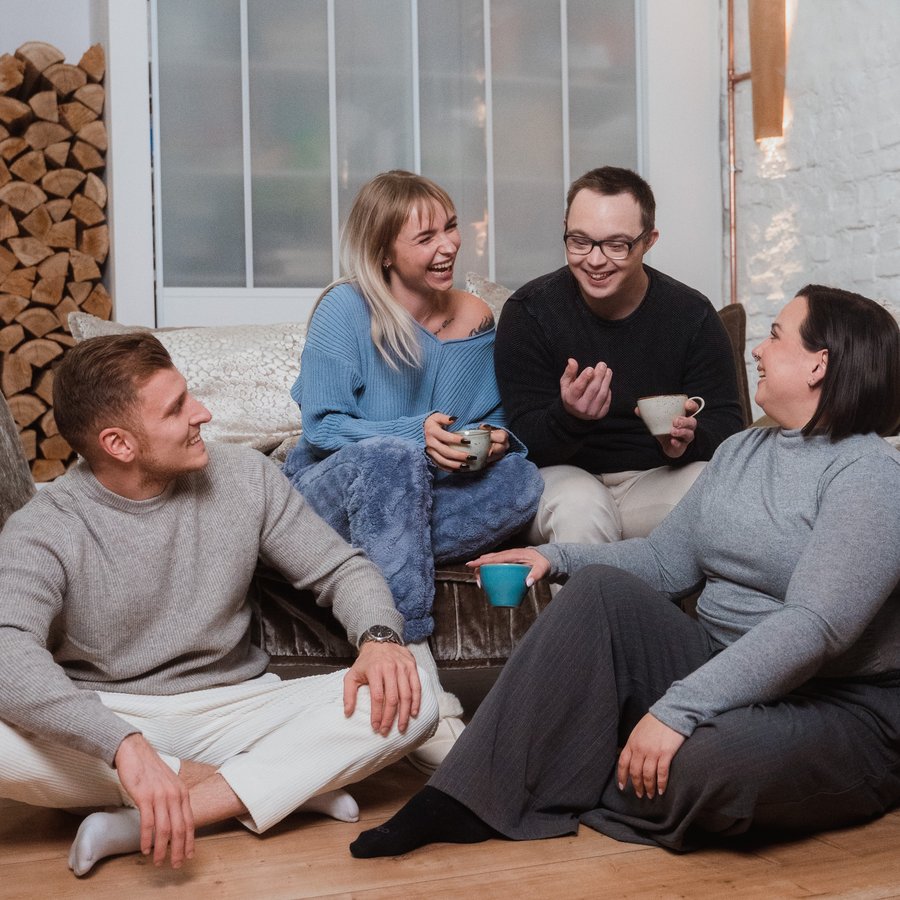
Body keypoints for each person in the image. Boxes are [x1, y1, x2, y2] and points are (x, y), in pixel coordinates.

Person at [350, 285, 900, 858]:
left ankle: (580, 769)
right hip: (719, 665)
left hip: (834, 703)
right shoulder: (743, 450)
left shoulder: (869, 475)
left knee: (703, 766)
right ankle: (464, 797)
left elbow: (813, 627)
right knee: (599, 591)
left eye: (777, 336)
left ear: (819, 364)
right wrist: (555, 558)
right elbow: (665, 561)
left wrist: (676, 712)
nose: (759, 350)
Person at [0, 333, 439, 877]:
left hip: (237, 708)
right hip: (108, 714)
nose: (202, 413)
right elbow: (8, 650)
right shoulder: (45, 527)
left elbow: (339, 569)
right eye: (176, 408)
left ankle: (146, 819)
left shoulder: (245, 476)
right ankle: (278, 784)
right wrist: (121, 744)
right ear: (119, 444)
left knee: (417, 696)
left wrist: (379, 638)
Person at [282, 170, 543, 771]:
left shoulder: (476, 317)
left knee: (524, 481)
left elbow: (495, 417)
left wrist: (497, 440)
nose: (447, 246)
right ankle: (417, 674)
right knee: (394, 458)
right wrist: (412, 435)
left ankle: (384, 551)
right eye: (425, 238)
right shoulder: (345, 309)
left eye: (450, 228)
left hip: (421, 495)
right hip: (329, 491)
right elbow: (321, 426)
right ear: (384, 252)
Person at [494, 166, 744, 546]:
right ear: (565, 229)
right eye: (580, 241)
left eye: (616, 245)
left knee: (718, 491)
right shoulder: (530, 311)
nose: (595, 261)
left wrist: (687, 440)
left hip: (653, 479)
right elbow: (521, 441)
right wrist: (570, 416)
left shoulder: (691, 315)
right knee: (582, 509)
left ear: (649, 241)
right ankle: (591, 589)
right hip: (562, 478)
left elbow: (728, 426)